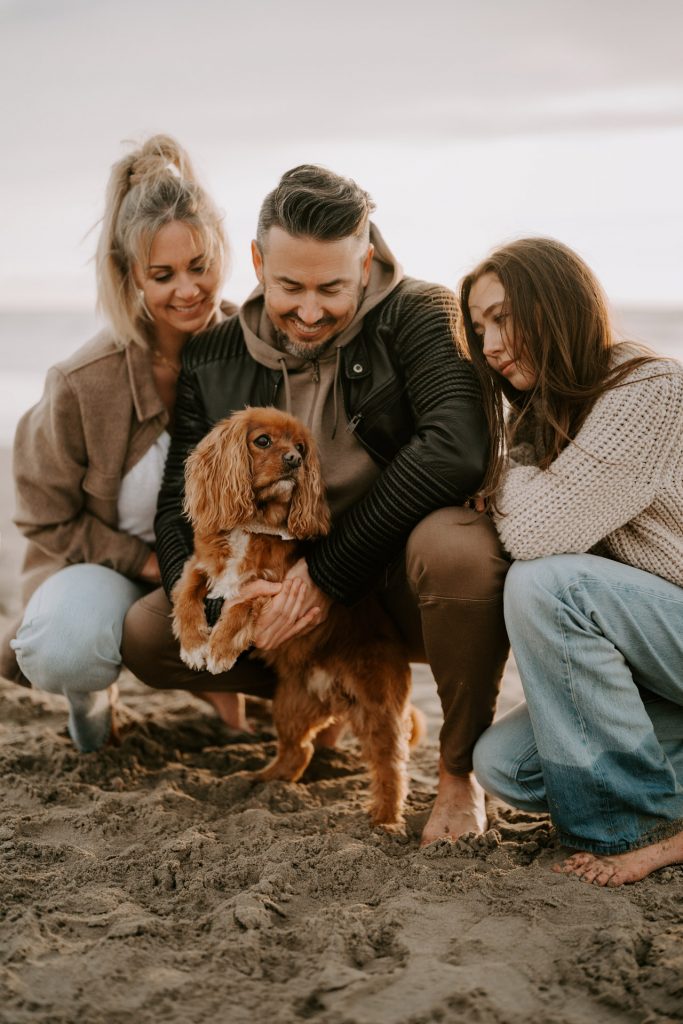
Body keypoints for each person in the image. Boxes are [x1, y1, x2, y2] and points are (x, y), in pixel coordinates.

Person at [122, 164, 510, 845]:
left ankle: (456, 773)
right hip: (274, 579)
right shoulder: (213, 357)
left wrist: (326, 577)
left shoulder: (421, 313)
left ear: (364, 261)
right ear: (255, 262)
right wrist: (219, 592)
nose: (308, 310)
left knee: (460, 551)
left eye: (331, 288)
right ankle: (318, 711)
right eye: (288, 287)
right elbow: (181, 500)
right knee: (151, 634)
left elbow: (457, 449)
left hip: (397, 582)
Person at [0, 134, 243, 752]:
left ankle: (231, 699)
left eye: (199, 267)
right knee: (62, 645)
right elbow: (42, 514)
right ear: (131, 275)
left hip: (215, 563)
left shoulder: (253, 348)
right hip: (105, 565)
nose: (187, 290)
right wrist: (148, 563)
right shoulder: (83, 381)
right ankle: (90, 700)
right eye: (162, 275)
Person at [459, 237, 683, 885]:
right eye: (478, 329)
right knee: (506, 766)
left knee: (547, 585)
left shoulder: (649, 388)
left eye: (502, 317)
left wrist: (502, 474)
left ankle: (640, 830)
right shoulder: (553, 412)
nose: (490, 345)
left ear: (557, 305)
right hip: (660, 654)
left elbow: (530, 532)